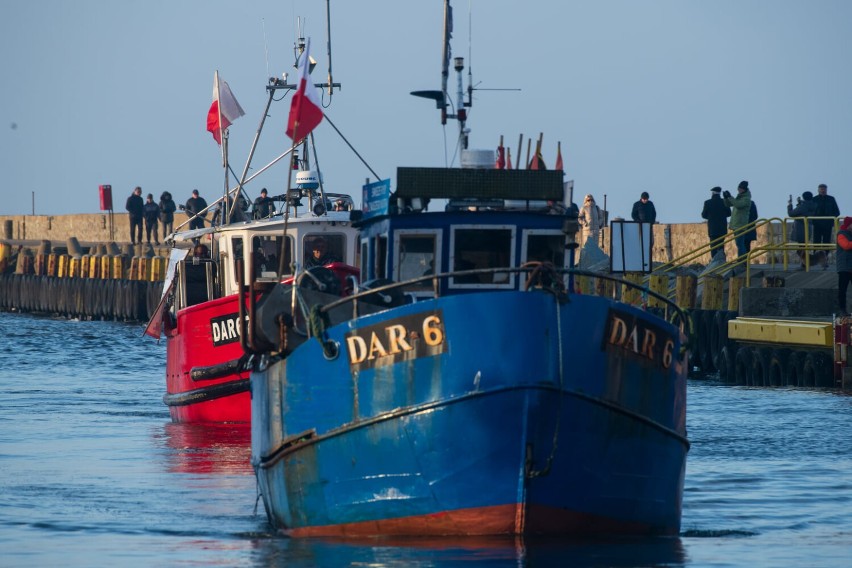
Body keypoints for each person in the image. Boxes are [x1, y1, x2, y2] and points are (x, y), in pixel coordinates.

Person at [811, 183, 840, 268]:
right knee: (816, 241)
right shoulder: (814, 199)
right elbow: (811, 212)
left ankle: (825, 258)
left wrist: (830, 219)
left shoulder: (831, 199)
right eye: (821, 189)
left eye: (824, 189)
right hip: (817, 224)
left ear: (826, 190)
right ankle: (816, 259)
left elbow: (837, 212)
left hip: (827, 224)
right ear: (818, 190)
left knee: (826, 242)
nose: (823, 190)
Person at [723, 180, 752, 259]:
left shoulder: (746, 199)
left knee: (740, 243)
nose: (738, 190)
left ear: (744, 189)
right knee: (739, 243)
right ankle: (742, 259)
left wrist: (730, 197)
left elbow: (738, 204)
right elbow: (728, 204)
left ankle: (742, 260)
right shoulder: (739, 197)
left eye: (740, 188)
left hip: (740, 224)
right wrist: (726, 198)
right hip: (736, 224)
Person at [701, 186, 731, 260]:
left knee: (713, 246)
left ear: (712, 193)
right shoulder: (724, 201)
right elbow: (729, 213)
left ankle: (714, 262)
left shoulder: (708, 202)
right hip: (722, 228)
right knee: (721, 245)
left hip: (713, 228)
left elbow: (703, 215)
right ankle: (722, 261)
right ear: (719, 193)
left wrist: (711, 217)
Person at [787, 191, 815, 267]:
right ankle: (805, 263)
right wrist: (800, 203)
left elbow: (791, 213)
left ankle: (805, 264)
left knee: (801, 248)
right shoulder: (813, 204)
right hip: (808, 226)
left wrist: (790, 205)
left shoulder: (803, 206)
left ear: (804, 197)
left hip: (800, 228)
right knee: (804, 247)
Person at [836, 216, 852, 315]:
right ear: (848, 225)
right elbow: (846, 245)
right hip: (844, 267)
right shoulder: (841, 234)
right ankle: (842, 309)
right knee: (842, 290)